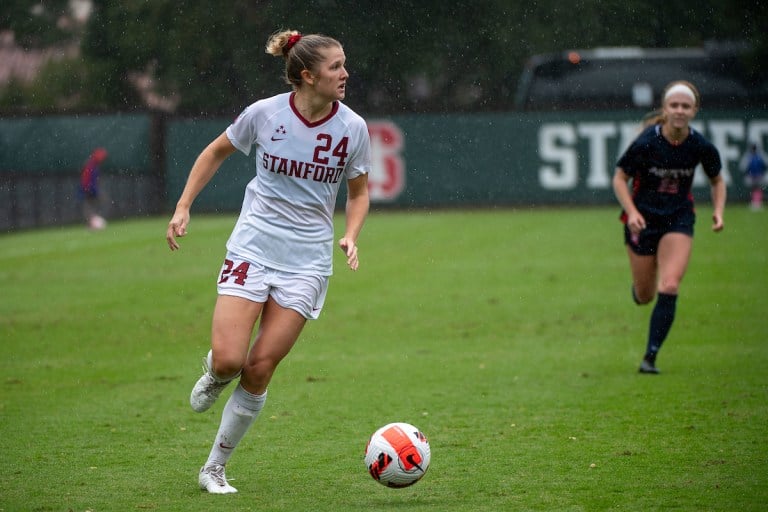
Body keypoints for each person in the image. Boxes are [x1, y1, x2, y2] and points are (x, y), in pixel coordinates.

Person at [165, 29, 371, 494]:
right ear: (306, 75)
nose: (345, 73)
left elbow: (358, 192)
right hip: (253, 249)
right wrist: (183, 205)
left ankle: (213, 468)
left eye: (344, 64)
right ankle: (215, 371)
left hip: (307, 264)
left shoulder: (352, 128)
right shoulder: (265, 113)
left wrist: (351, 235)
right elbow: (215, 151)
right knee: (230, 361)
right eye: (336, 66)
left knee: (258, 368)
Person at [612, 80, 726, 374]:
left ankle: (650, 357)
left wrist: (718, 211)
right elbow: (619, 178)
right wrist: (632, 211)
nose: (679, 110)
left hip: (678, 217)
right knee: (646, 294)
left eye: (685, 106)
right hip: (643, 221)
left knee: (670, 284)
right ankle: (638, 290)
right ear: (664, 109)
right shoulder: (646, 142)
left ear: (694, 111)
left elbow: (717, 180)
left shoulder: (700, 146)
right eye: (674, 105)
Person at [79, 147, 108, 229]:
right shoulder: (91, 165)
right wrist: (89, 189)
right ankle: (93, 223)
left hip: (91, 189)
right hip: (90, 190)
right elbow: (87, 179)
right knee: (90, 207)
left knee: (91, 206)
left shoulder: (92, 165)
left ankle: (93, 222)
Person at [739, 142, 767, 210]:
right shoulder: (748, 156)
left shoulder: (760, 155)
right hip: (751, 176)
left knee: (758, 188)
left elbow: (765, 164)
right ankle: (754, 202)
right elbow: (742, 167)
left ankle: (757, 203)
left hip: (759, 175)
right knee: (754, 189)